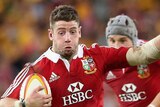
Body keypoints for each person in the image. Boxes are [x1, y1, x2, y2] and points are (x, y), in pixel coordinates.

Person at [0, 5, 160, 107]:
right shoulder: (37, 68)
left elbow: (144, 54)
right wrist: (24, 104)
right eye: (61, 32)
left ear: (80, 32)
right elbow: (3, 102)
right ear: (50, 34)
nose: (67, 38)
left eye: (72, 31)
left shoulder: (98, 55)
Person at [105, 14, 160, 107]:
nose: (117, 46)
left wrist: (153, 105)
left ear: (134, 40)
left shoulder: (149, 53)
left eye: (123, 40)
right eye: (112, 40)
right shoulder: (104, 61)